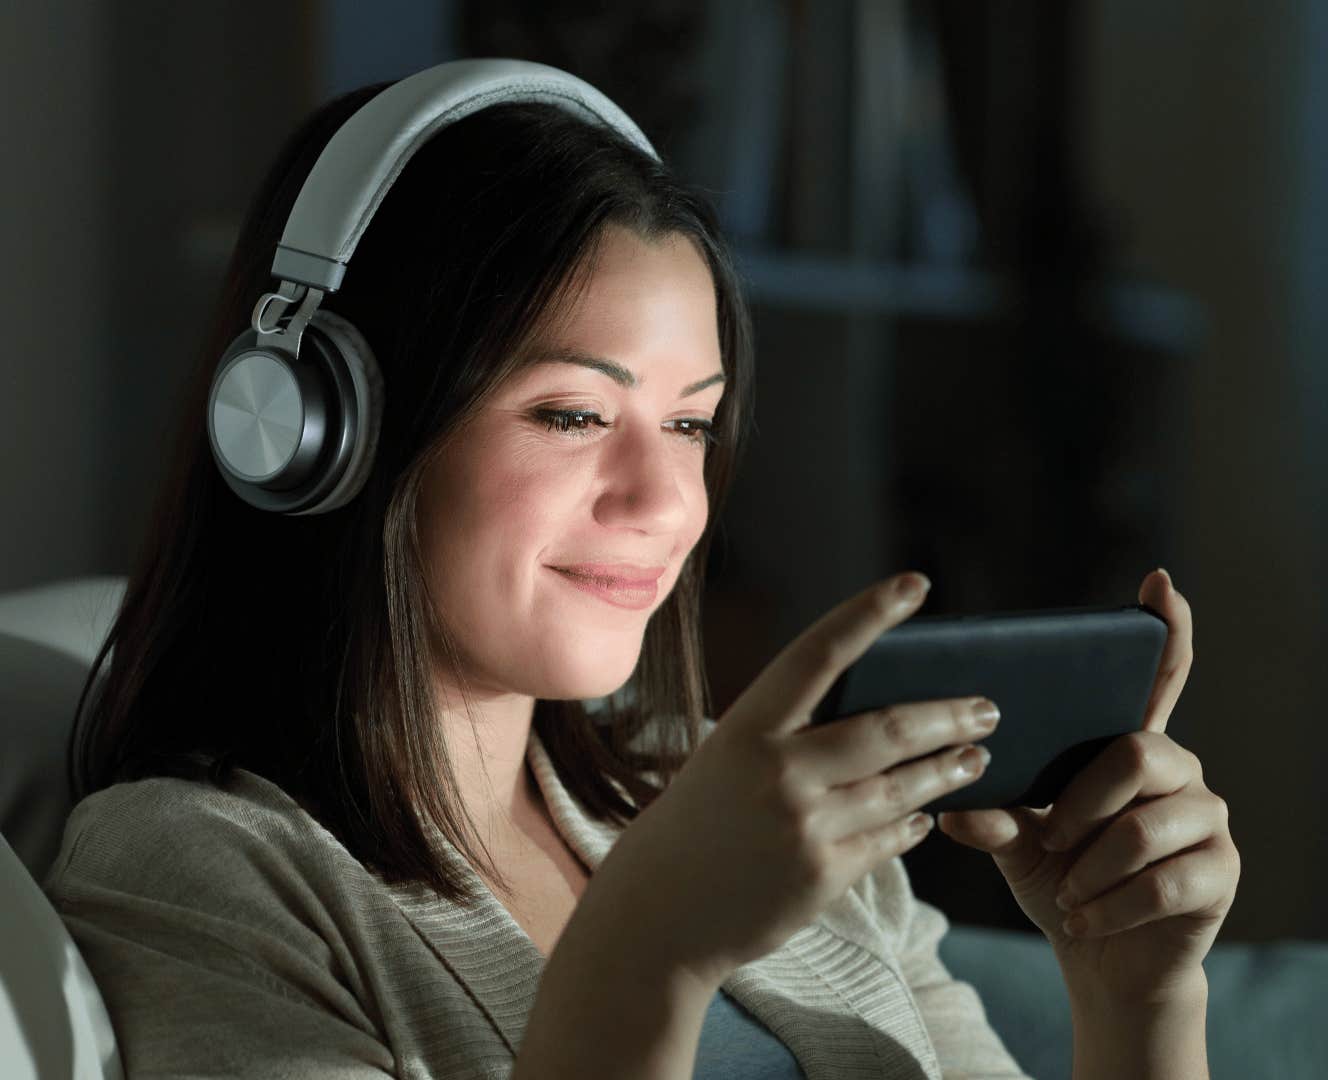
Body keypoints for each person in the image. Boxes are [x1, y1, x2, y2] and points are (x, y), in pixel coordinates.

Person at [45, 60, 1239, 1079]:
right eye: (571, 415)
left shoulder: (743, 810)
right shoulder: (195, 874)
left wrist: (1134, 998)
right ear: (313, 427)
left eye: (690, 425)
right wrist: (654, 944)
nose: (668, 502)